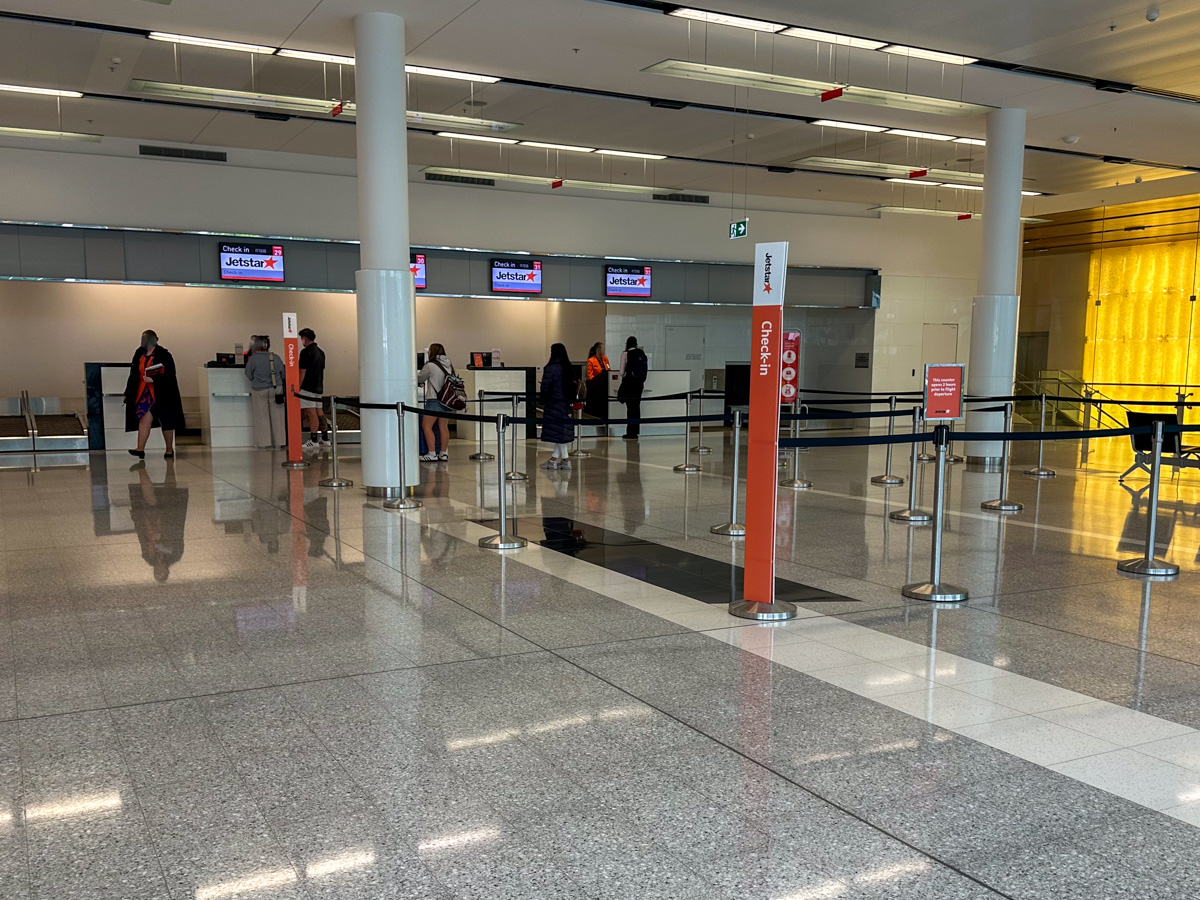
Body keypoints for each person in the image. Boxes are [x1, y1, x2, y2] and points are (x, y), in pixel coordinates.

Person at [124, 329, 184, 460]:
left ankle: (169, 449)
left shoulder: (164, 354)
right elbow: (134, 374)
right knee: (144, 418)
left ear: (156, 340)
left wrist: (155, 380)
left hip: (162, 393)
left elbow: (169, 373)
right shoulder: (139, 353)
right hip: (144, 392)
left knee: (166, 421)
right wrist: (128, 392)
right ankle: (140, 449)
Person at [244, 335, 286, 449]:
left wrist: (257, 380)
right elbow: (283, 373)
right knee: (278, 416)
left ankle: (264, 443)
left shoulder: (253, 359)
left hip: (259, 389)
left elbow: (248, 373)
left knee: (261, 417)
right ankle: (280, 442)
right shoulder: (276, 357)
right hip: (276, 389)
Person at [540, 342, 577, 469]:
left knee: (559, 433)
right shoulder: (568, 367)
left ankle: (565, 461)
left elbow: (545, 388)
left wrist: (542, 399)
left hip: (554, 404)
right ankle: (554, 460)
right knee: (560, 433)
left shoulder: (551, 369)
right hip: (566, 404)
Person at [417, 342, 455, 462]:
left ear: (432, 352)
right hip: (447, 400)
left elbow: (419, 378)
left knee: (426, 426)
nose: (428, 353)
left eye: (429, 351)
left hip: (434, 400)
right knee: (443, 427)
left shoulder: (430, 365)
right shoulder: (449, 364)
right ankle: (443, 453)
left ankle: (432, 453)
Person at [297, 327, 328, 452]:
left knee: (311, 413)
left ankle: (314, 439)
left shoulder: (305, 352)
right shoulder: (321, 352)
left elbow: (302, 372)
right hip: (318, 386)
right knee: (319, 411)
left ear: (304, 339)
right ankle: (325, 438)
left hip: (307, 387)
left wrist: (298, 388)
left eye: (301, 339)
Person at [617, 335, 648, 440]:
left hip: (629, 385)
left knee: (630, 409)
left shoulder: (625, 354)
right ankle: (635, 432)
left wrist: (627, 374)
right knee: (636, 408)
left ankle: (630, 432)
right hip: (639, 385)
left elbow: (621, 372)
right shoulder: (641, 353)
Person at [584, 341, 611, 427]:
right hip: (595, 386)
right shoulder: (591, 361)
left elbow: (608, 371)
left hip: (604, 386)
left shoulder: (605, 359)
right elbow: (590, 375)